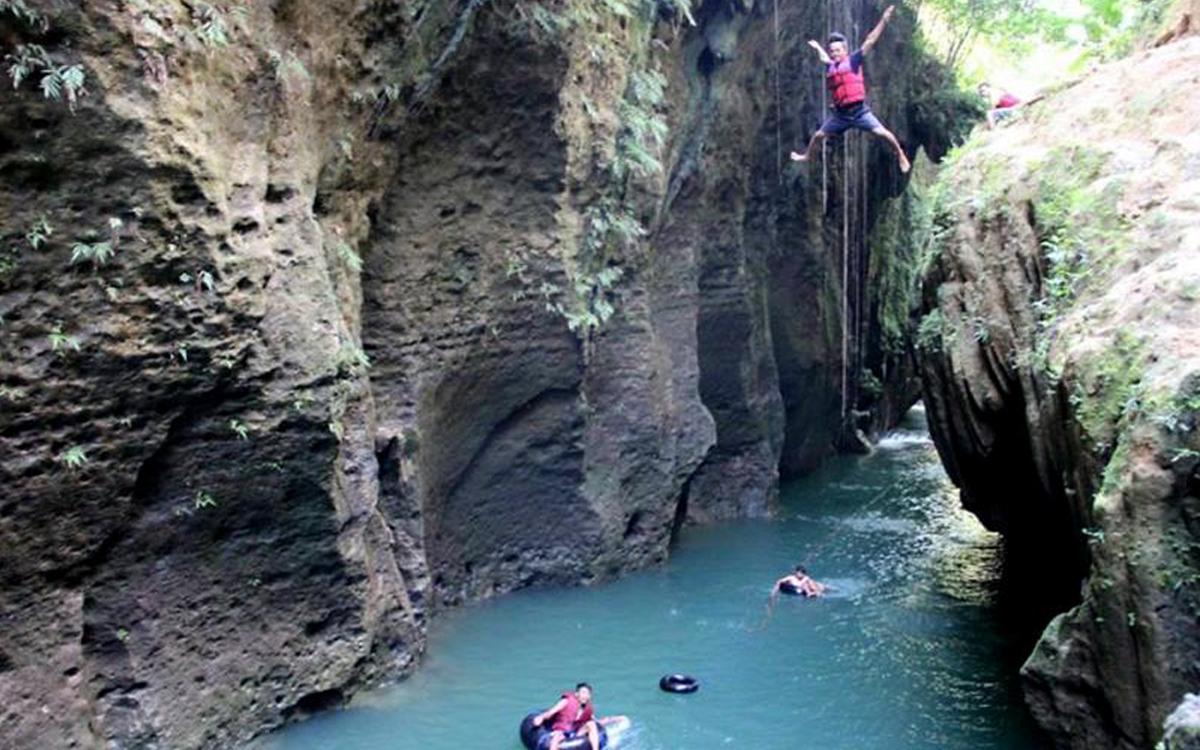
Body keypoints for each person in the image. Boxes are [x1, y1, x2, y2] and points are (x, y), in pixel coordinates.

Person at [790, 5, 911, 174]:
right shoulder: (832, 65)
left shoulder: (853, 61)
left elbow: (870, 40)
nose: (834, 54)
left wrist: (884, 20)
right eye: (832, 51)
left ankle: (900, 154)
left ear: (845, 50)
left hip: (859, 112)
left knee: (882, 133)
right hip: (840, 115)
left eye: (838, 50)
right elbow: (824, 58)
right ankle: (807, 156)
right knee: (818, 136)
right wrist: (818, 47)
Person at [532, 683, 615, 750]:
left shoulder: (588, 708)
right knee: (557, 737)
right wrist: (541, 718)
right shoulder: (566, 701)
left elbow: (596, 721)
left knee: (591, 724)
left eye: (587, 694)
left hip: (576, 732)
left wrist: (613, 719)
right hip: (561, 731)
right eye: (583, 693)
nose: (585, 695)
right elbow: (551, 712)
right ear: (577, 694)